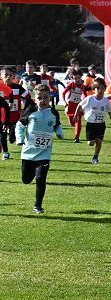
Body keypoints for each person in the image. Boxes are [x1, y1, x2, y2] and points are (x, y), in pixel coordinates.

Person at [15, 84, 64, 214]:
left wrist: (60, 132)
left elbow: (57, 125)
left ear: (50, 98)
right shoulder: (30, 111)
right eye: (40, 98)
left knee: (41, 178)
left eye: (46, 97)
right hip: (28, 153)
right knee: (26, 180)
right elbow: (19, 126)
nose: (43, 100)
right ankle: (29, 174)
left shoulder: (53, 113)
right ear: (35, 99)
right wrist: (20, 140)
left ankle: (38, 206)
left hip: (44, 153)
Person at [80, 77, 111, 164]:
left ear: (105, 89)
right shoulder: (90, 99)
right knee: (91, 143)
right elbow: (80, 105)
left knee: (99, 141)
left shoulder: (106, 101)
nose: (100, 90)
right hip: (91, 124)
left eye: (102, 88)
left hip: (101, 124)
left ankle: (95, 157)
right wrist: (76, 116)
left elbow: (110, 111)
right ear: (94, 89)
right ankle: (91, 144)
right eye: (98, 88)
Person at [0, 66, 26, 160]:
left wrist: (25, 109)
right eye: (5, 75)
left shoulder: (18, 88)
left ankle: (12, 136)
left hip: (15, 116)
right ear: (1, 76)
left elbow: (27, 98)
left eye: (10, 75)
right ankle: (6, 153)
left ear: (14, 76)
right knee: (2, 134)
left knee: (12, 136)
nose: (8, 77)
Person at [63, 70, 87, 143]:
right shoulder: (71, 85)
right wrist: (65, 102)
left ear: (81, 78)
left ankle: (77, 138)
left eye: (78, 78)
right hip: (70, 105)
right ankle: (69, 115)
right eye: (75, 78)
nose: (77, 80)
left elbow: (85, 95)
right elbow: (63, 93)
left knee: (78, 121)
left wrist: (84, 104)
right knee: (72, 123)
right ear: (73, 78)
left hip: (78, 105)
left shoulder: (83, 86)